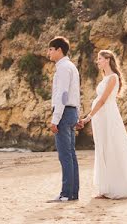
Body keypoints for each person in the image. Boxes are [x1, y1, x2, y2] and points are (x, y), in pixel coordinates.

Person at [78, 49, 127, 199]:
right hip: (101, 118)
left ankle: (116, 186)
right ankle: (105, 187)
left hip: (107, 117)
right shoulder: (105, 78)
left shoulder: (113, 78)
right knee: (103, 148)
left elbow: (103, 100)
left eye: (99, 58)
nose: (97, 61)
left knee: (112, 148)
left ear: (107, 59)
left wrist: (88, 117)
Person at [46, 36, 80, 202]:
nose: (49, 53)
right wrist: (77, 115)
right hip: (71, 112)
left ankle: (66, 194)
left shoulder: (63, 68)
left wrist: (55, 118)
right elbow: (75, 94)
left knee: (65, 156)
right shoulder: (71, 67)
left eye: (51, 49)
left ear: (59, 50)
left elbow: (63, 95)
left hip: (64, 112)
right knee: (71, 155)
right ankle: (73, 193)